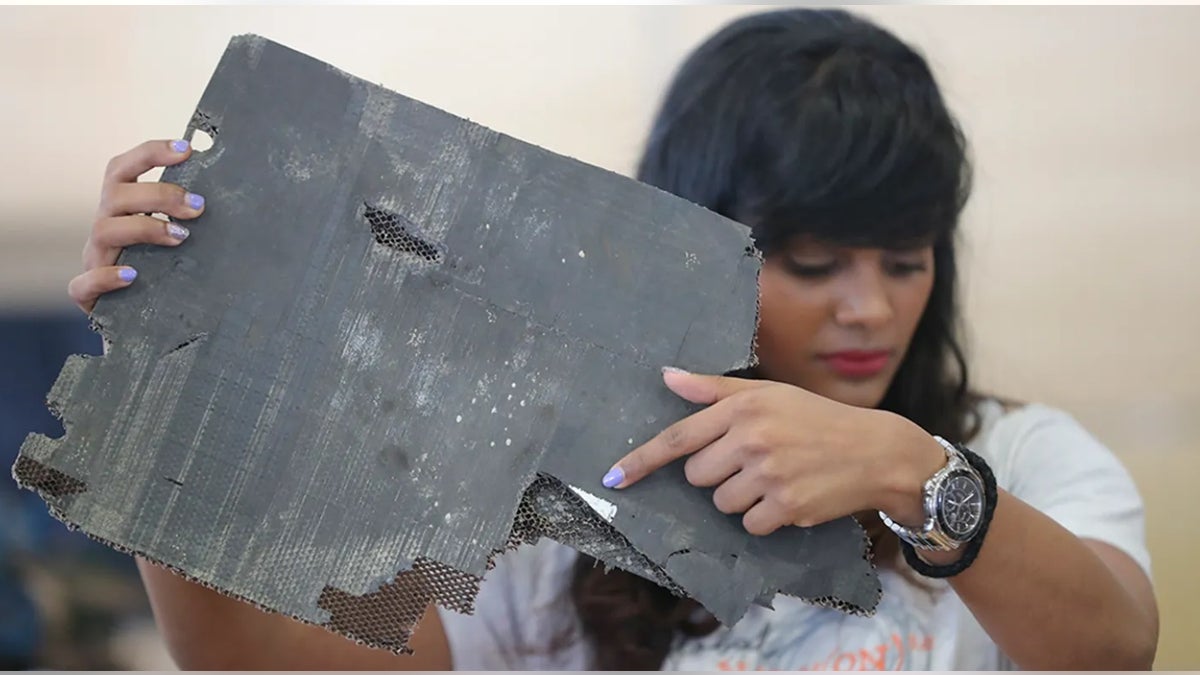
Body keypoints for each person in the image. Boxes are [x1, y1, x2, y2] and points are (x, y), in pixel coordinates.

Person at [67, 8, 1158, 671]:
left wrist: (916, 474)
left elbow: (1117, 649)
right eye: (814, 265)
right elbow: (289, 666)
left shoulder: (1022, 461)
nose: (867, 308)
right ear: (697, 249)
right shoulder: (549, 504)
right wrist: (170, 378)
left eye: (906, 261)